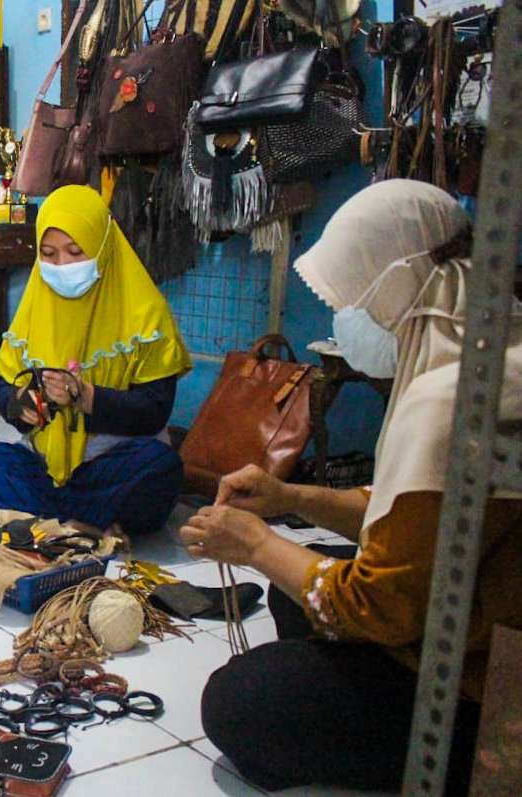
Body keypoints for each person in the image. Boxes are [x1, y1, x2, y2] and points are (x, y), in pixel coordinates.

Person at [185, 180, 522, 795]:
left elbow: (378, 606)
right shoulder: (494, 358)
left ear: (396, 288)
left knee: (240, 697)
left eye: (352, 299)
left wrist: (257, 543)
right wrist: (292, 499)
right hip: (475, 621)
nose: (343, 319)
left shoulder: (454, 402)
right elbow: (415, 519)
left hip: (491, 696)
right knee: (292, 595)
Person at [0, 185, 191, 535]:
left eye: (76, 252)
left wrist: (86, 397)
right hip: (39, 464)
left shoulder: (146, 314)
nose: (62, 266)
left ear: (104, 247)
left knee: (160, 467)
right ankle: (76, 523)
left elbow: (154, 410)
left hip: (110, 466)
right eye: (49, 254)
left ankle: (29, 519)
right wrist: (20, 405)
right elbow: (5, 386)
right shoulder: (35, 307)